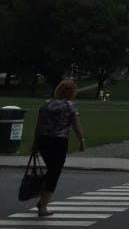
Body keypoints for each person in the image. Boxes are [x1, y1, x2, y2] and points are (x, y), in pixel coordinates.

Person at [32, 79, 85, 217]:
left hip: (44, 140)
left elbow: (39, 125)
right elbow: (76, 126)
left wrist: (35, 142)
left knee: (51, 170)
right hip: (59, 141)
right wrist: (82, 140)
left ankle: (42, 197)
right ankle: (43, 205)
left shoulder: (46, 105)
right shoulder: (70, 106)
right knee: (55, 172)